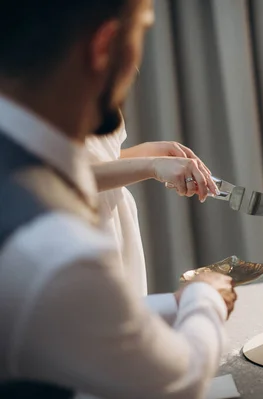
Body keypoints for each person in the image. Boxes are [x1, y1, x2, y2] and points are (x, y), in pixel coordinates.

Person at [0, 1, 236, 399]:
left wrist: (170, 305)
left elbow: (66, 322)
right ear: (105, 46)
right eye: (142, 31)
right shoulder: (58, 249)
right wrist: (204, 297)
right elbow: (179, 381)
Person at [87, 119, 219, 296]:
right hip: (83, 227)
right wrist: (152, 165)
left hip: (118, 225)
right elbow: (56, 175)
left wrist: (148, 153)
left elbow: (97, 157)